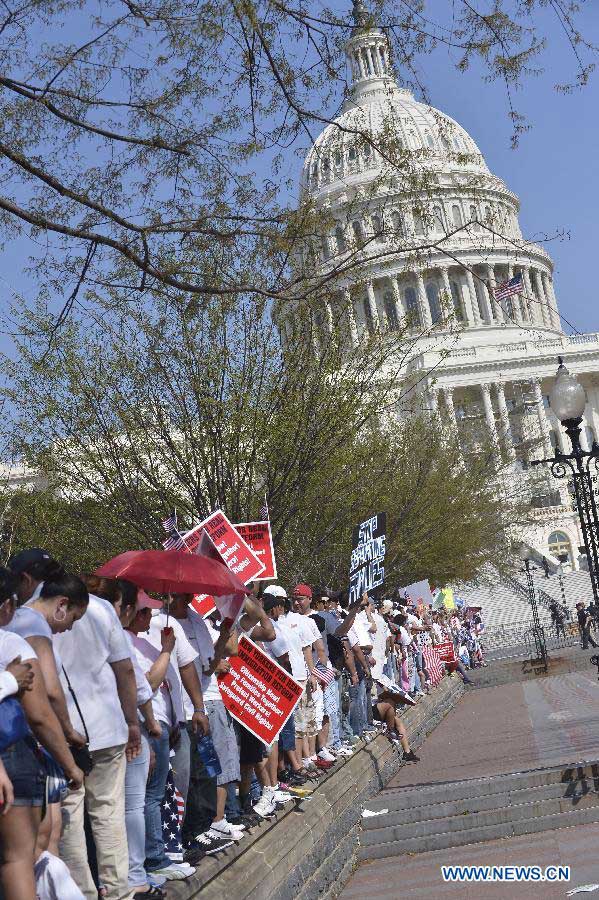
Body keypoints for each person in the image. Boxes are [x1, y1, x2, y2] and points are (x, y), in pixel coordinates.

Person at [54, 582, 142, 900]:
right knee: (108, 813)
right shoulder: (103, 609)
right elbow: (125, 669)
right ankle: (119, 892)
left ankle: (83, 893)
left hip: (67, 729)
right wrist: (133, 721)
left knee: (71, 818)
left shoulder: (33, 611)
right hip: (106, 724)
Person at [0, 566, 83, 900]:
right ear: (7, 605)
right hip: (11, 755)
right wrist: (70, 765)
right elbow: (39, 713)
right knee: (17, 860)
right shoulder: (11, 644)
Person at [85, 576, 168, 898]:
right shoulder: (112, 630)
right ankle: (132, 878)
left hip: (81, 733)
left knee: (87, 815)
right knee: (126, 807)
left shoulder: (63, 628)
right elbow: (134, 682)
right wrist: (144, 724)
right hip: (116, 732)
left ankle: (97, 882)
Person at [127, 595, 200, 882]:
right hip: (148, 726)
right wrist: (167, 650)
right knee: (150, 797)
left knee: (158, 795)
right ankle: (154, 859)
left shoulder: (142, 640)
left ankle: (163, 851)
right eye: (143, 611)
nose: (148, 616)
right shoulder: (125, 641)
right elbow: (148, 683)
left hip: (165, 725)